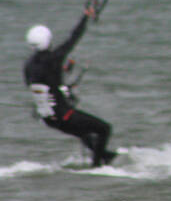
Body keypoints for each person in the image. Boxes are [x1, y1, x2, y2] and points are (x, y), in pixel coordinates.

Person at [23, 12, 116, 167]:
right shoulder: (54, 58)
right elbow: (73, 38)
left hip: (49, 119)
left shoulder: (28, 66)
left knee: (85, 135)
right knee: (104, 129)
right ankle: (97, 166)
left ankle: (106, 157)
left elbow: (42, 83)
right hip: (65, 115)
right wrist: (85, 17)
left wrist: (61, 74)